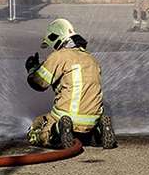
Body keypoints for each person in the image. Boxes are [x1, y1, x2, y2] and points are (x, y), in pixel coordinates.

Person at [25, 18, 117, 149]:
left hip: (67, 116)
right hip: (91, 119)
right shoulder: (91, 59)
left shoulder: (59, 56)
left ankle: (57, 130)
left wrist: (32, 69)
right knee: (86, 133)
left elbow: (39, 84)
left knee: (38, 128)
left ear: (55, 38)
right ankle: (98, 131)